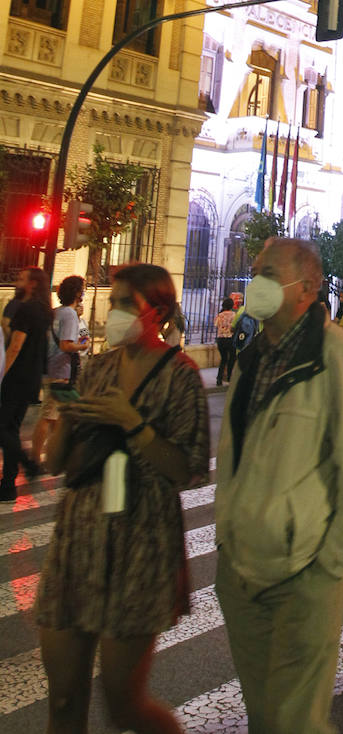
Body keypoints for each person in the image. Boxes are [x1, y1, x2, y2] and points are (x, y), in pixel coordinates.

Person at [215, 238, 343, 734]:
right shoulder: (251, 359)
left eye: (268, 273)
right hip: (242, 573)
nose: (255, 283)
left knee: (294, 724)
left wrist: (323, 574)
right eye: (255, 272)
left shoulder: (336, 356)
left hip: (302, 577)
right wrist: (226, 541)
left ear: (307, 288)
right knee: (264, 719)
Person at [37, 262, 210, 733]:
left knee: (123, 705)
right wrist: (66, 421)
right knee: (66, 696)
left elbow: (189, 468)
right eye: (110, 302)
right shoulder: (98, 367)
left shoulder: (181, 375)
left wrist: (132, 422)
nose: (111, 312)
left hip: (140, 543)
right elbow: (56, 465)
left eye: (121, 304)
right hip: (80, 537)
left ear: (156, 311)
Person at [0, 267, 52, 499]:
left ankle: (28, 465)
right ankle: (8, 485)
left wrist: (1, 375)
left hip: (16, 377)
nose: (17, 282)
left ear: (32, 284)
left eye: (22, 279)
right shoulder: (44, 310)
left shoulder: (26, 309)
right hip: (31, 378)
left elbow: (15, 346)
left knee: (3, 429)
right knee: (11, 428)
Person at [32, 274, 87, 466]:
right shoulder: (70, 315)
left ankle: (56, 454)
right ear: (78, 293)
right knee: (50, 416)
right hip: (61, 371)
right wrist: (82, 347)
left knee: (56, 417)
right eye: (84, 289)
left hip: (50, 368)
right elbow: (65, 345)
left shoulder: (56, 312)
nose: (85, 293)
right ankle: (35, 457)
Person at [214, 296, 237, 386]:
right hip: (230, 339)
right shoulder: (234, 315)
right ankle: (229, 377)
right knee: (232, 358)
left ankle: (219, 379)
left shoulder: (220, 315)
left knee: (223, 359)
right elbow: (235, 326)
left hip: (220, 339)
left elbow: (216, 325)